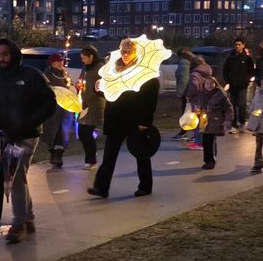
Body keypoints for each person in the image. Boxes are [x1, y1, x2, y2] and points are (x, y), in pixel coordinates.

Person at [0, 38, 57, 243]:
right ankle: (28, 219)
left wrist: (29, 121)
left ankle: (19, 223)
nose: (2, 58)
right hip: (5, 135)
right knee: (19, 177)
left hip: (27, 135)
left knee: (14, 176)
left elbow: (49, 102)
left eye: (5, 54)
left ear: (14, 54)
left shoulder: (31, 76)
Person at [89, 38, 159, 198]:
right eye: (123, 51)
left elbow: (151, 100)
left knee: (141, 154)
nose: (126, 54)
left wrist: (145, 122)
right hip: (116, 118)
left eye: (129, 51)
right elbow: (109, 93)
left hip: (135, 120)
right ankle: (101, 187)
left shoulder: (144, 73)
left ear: (136, 52)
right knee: (109, 155)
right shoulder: (113, 69)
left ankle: (145, 186)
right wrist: (99, 89)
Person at [186, 70, 232, 170]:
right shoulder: (202, 94)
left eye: (211, 83)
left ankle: (211, 161)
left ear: (215, 84)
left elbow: (228, 108)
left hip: (215, 121)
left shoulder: (220, 95)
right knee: (205, 142)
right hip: (204, 121)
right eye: (207, 83)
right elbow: (199, 106)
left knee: (210, 141)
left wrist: (228, 120)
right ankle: (207, 160)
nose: (209, 85)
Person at [39, 52, 72, 167]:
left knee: (63, 131)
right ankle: (53, 154)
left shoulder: (64, 73)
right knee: (52, 131)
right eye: (57, 61)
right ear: (52, 63)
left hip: (65, 107)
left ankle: (59, 155)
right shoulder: (47, 74)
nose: (60, 63)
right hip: (52, 108)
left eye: (62, 61)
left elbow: (69, 86)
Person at [76, 46, 106, 170]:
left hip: (95, 105)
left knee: (86, 132)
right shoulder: (85, 69)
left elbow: (103, 86)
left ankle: (91, 160)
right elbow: (81, 81)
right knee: (81, 132)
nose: (82, 60)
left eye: (84, 58)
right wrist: (79, 86)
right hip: (85, 105)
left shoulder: (100, 69)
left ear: (91, 57)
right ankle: (91, 156)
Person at [221, 39, 255, 134]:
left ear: (243, 45)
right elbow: (225, 70)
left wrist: (247, 80)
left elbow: (251, 70)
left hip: (242, 85)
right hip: (233, 85)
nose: (237, 46)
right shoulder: (230, 58)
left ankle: (242, 122)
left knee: (241, 104)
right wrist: (228, 80)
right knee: (232, 105)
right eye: (235, 44)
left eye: (239, 44)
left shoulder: (247, 58)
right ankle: (234, 124)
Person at [170, 49, 193, 139]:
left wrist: (180, 93)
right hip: (192, 91)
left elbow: (183, 79)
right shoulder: (189, 63)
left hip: (187, 92)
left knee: (186, 112)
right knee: (191, 112)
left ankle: (184, 132)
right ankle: (193, 133)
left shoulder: (183, 64)